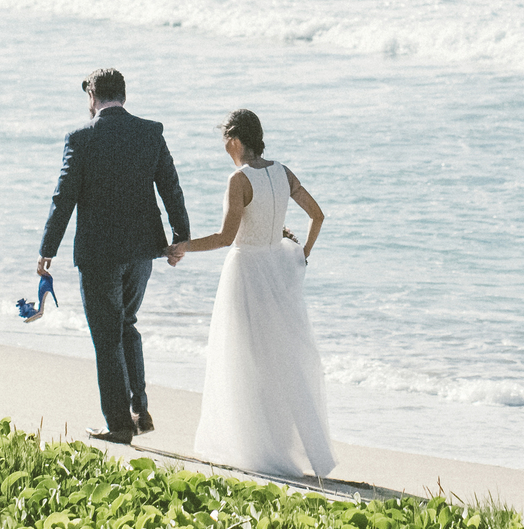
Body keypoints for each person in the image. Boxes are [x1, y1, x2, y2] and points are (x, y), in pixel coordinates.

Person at [169, 107, 335, 478]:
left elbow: (226, 238)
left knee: (242, 359)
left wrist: (181, 246)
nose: (224, 147)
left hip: (245, 273)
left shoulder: (239, 179)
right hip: (277, 272)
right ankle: (281, 445)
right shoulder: (282, 172)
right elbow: (318, 215)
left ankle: (253, 448)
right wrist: (302, 254)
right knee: (277, 361)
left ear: (236, 139)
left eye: (225, 139)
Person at [37, 68, 191, 445]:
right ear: (123, 94)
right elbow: (171, 187)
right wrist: (180, 238)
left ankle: (120, 423)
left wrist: (47, 250)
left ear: (92, 96)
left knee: (107, 337)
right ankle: (139, 408)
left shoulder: (80, 138)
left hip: (99, 253)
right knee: (127, 325)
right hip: (142, 250)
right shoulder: (150, 131)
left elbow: (64, 198)